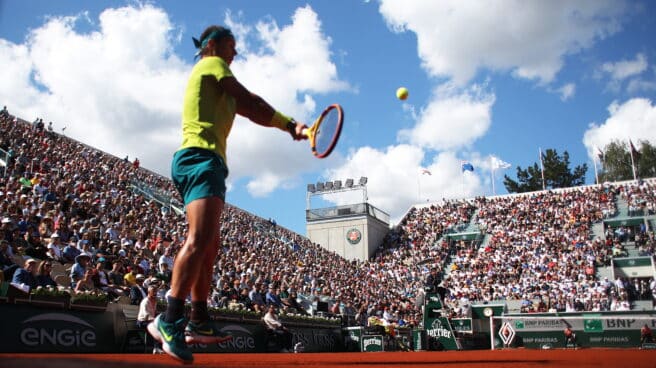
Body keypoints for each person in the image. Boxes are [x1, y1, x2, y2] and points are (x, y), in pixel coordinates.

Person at [147, 24, 307, 363]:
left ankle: (199, 319)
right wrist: (291, 124)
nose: (234, 53)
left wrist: (285, 124)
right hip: (200, 158)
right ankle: (169, 319)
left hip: (205, 161)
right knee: (200, 238)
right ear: (212, 45)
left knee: (209, 244)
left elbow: (252, 108)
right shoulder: (211, 64)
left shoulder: (220, 85)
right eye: (231, 46)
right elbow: (251, 101)